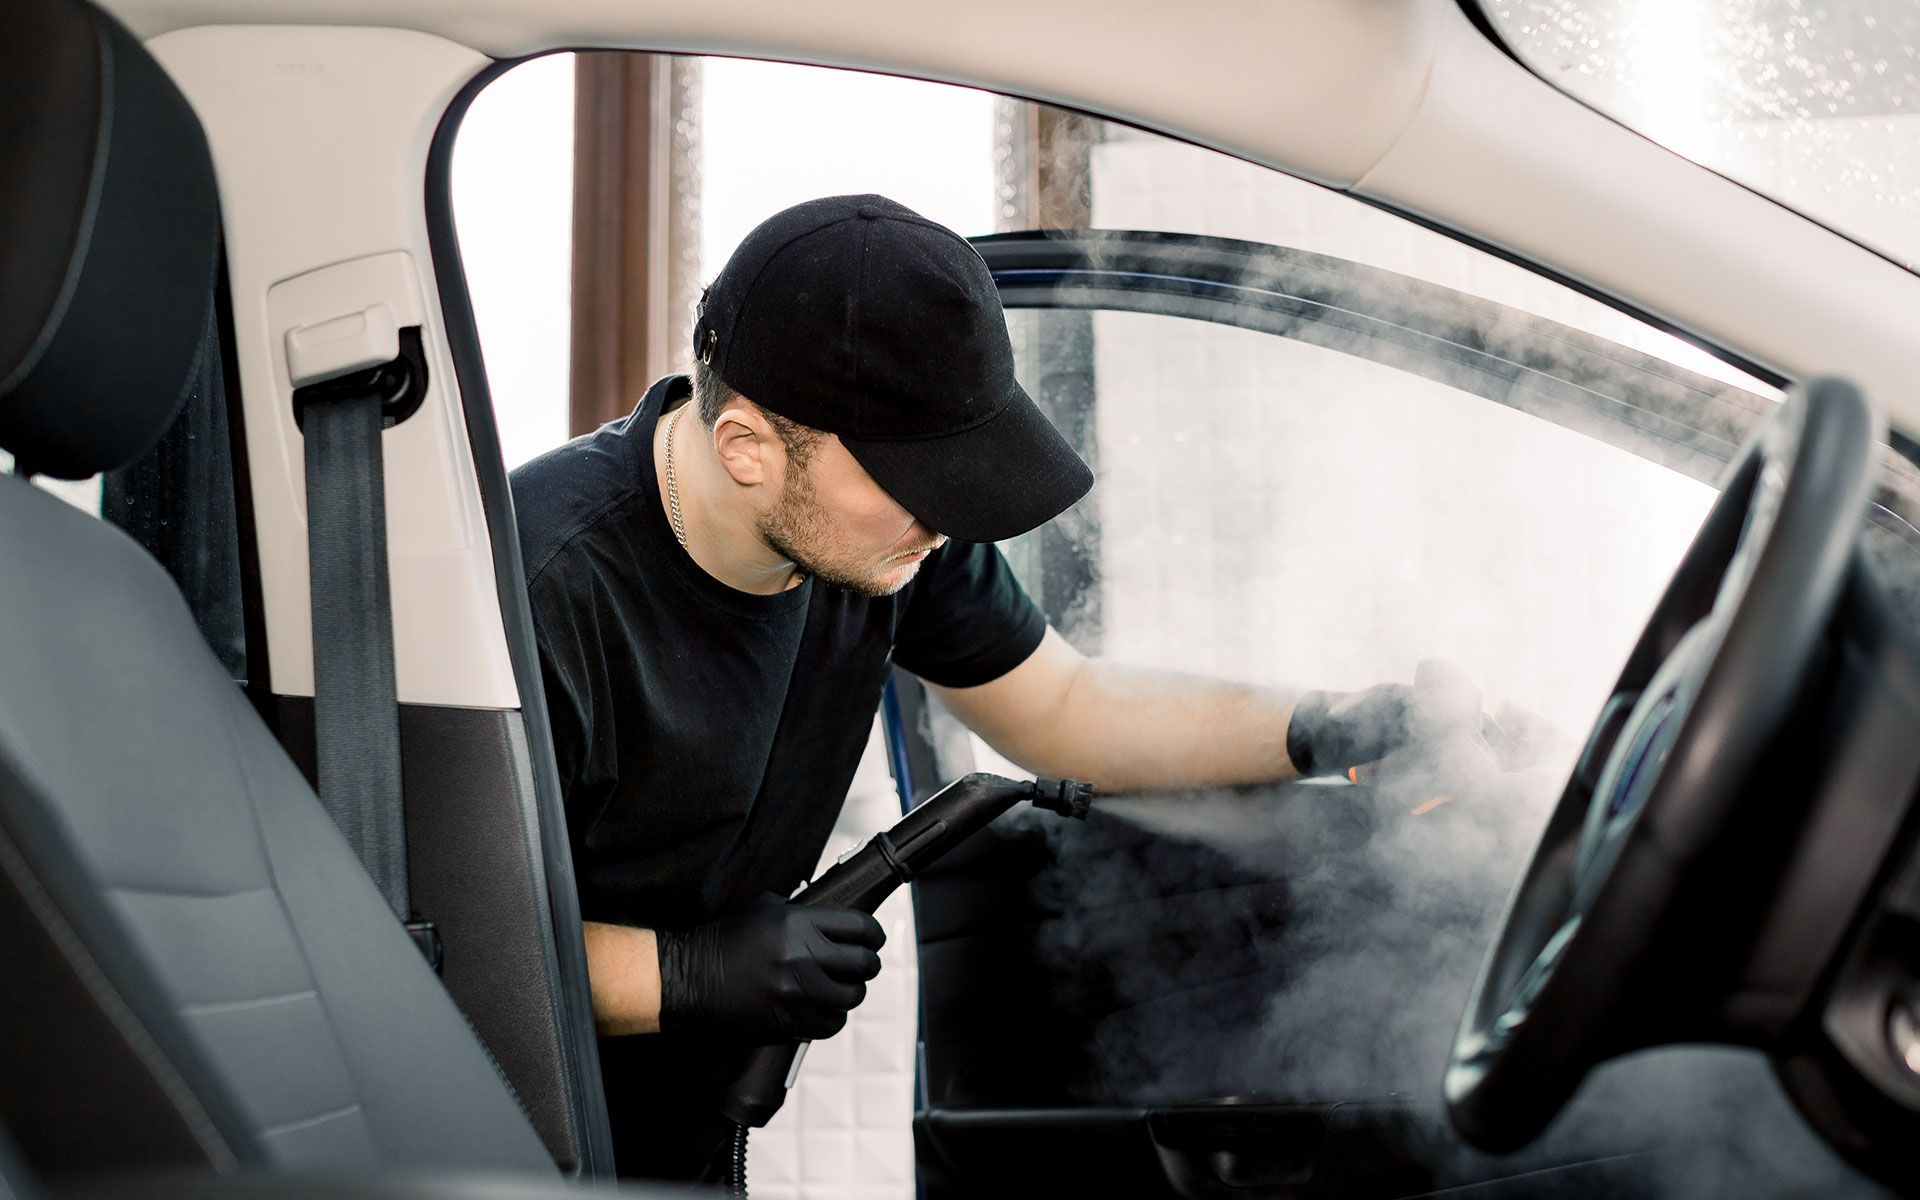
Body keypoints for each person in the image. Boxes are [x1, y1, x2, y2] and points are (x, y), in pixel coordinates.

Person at [510, 194, 1487, 1181]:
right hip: (512, 1123)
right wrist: (686, 975)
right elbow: (436, 941)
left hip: (691, 1128)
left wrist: (1327, 725)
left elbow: (1068, 709)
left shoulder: (884, 541)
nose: (945, 520)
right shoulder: (535, 588)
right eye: (914, 481)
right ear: (749, 449)